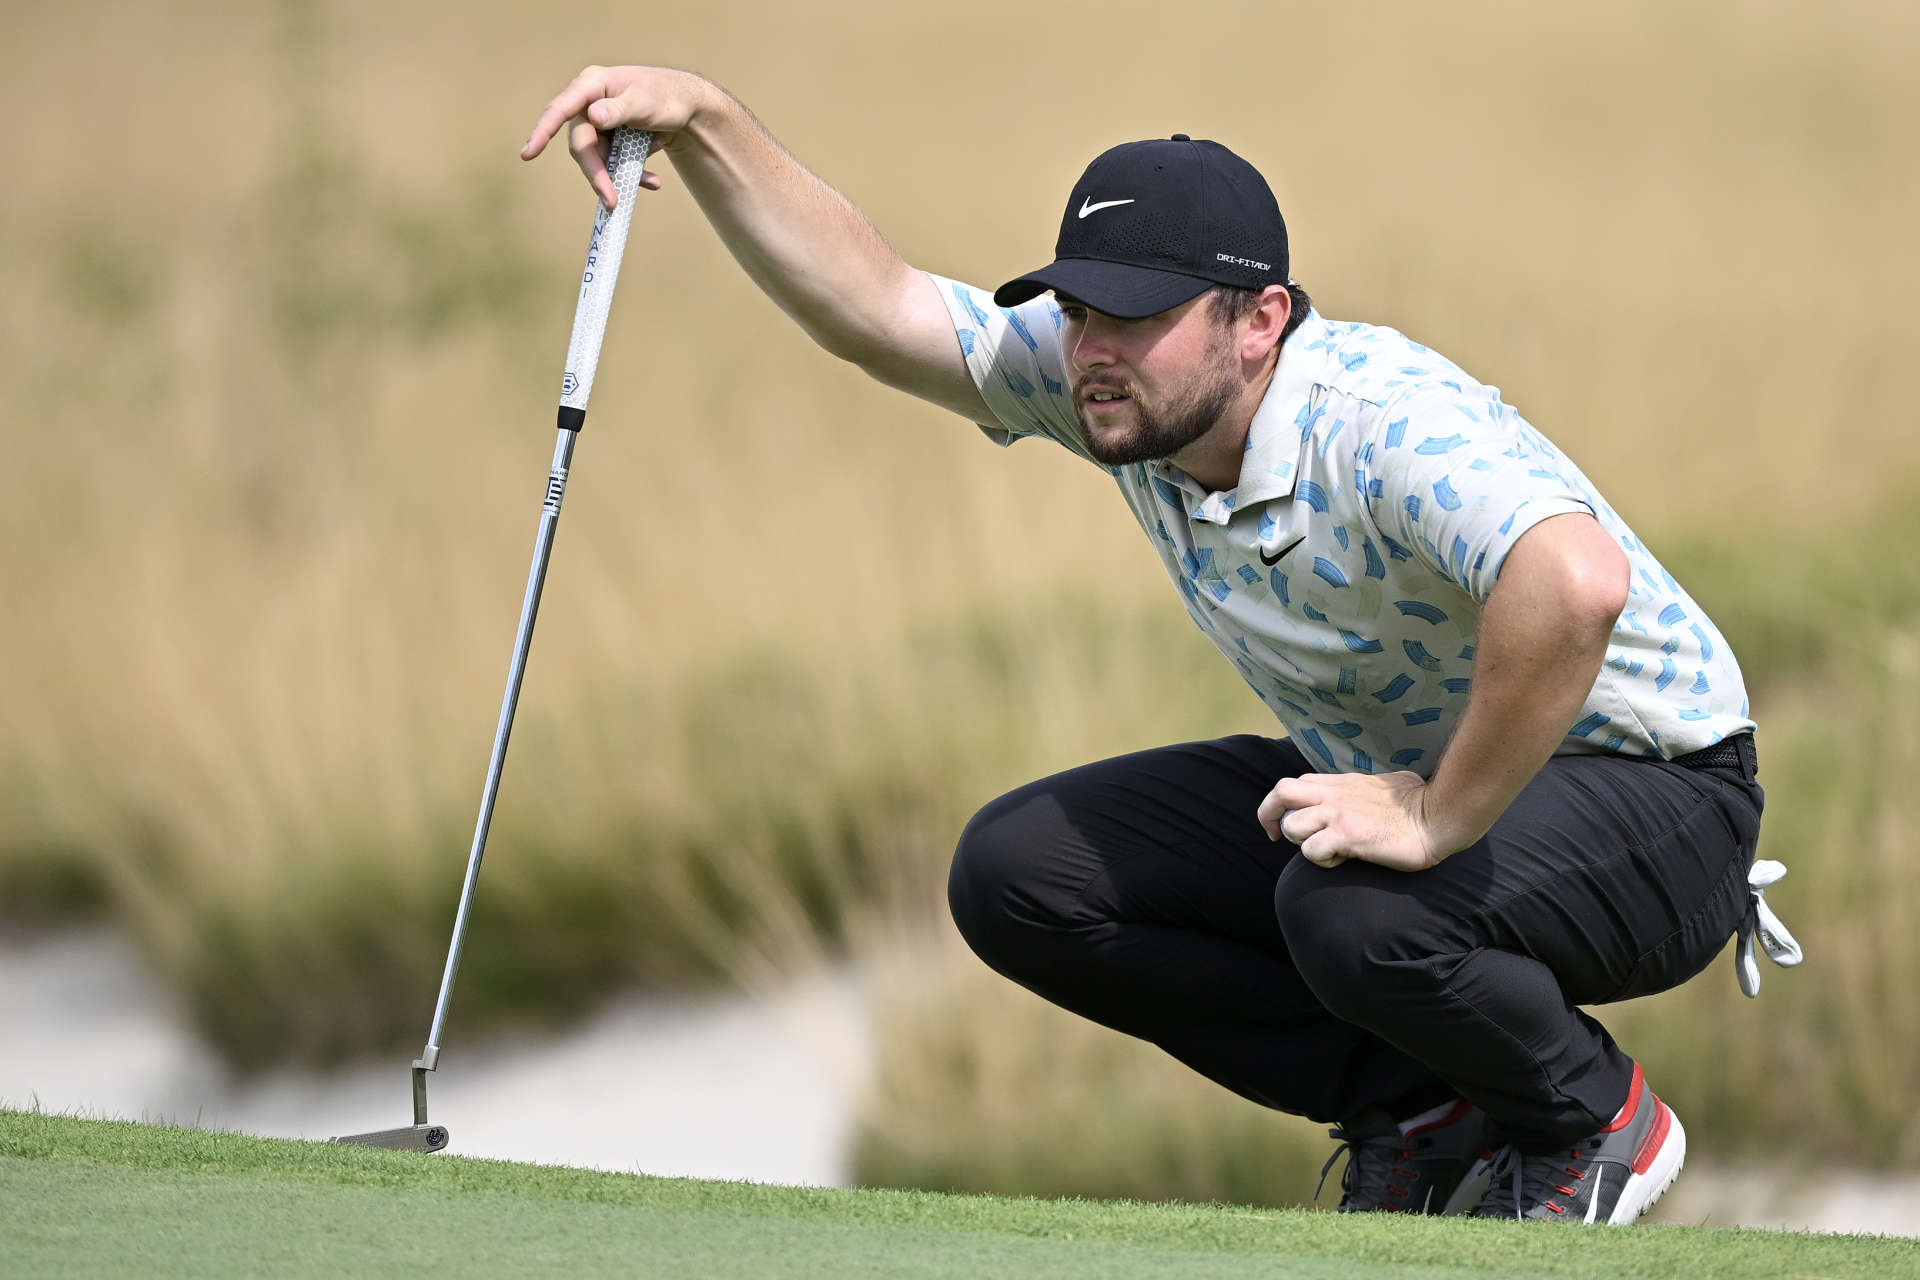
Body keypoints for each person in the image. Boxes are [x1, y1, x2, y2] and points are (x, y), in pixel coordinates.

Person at [522, 66, 1766, 1225]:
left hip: (1665, 803)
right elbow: (884, 309)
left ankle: (1595, 1118)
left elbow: (1577, 583)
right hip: (1426, 789)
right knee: (1021, 874)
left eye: (1134, 314)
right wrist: (705, 124)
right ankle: (1418, 1103)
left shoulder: (1381, 422)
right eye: (1074, 310)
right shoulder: (1119, 397)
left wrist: (1436, 813)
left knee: (1347, 909)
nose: (1091, 348)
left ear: (1259, 319)